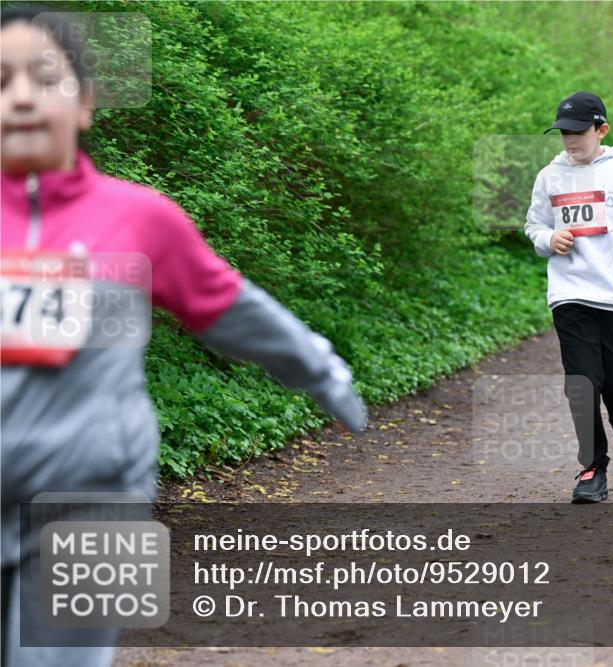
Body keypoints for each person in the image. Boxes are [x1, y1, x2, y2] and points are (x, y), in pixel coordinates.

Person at [0, 8, 367, 666]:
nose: (21, 96)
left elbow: (229, 307)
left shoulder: (140, 219)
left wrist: (321, 370)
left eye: (44, 77)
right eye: (0, 80)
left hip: (96, 495)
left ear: (84, 104)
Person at [524, 91, 613, 504]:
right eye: (563, 132)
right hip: (570, 293)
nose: (570, 140)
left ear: (601, 130)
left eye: (578, 131)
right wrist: (549, 237)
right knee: (581, 384)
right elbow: (534, 227)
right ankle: (592, 469)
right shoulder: (549, 176)